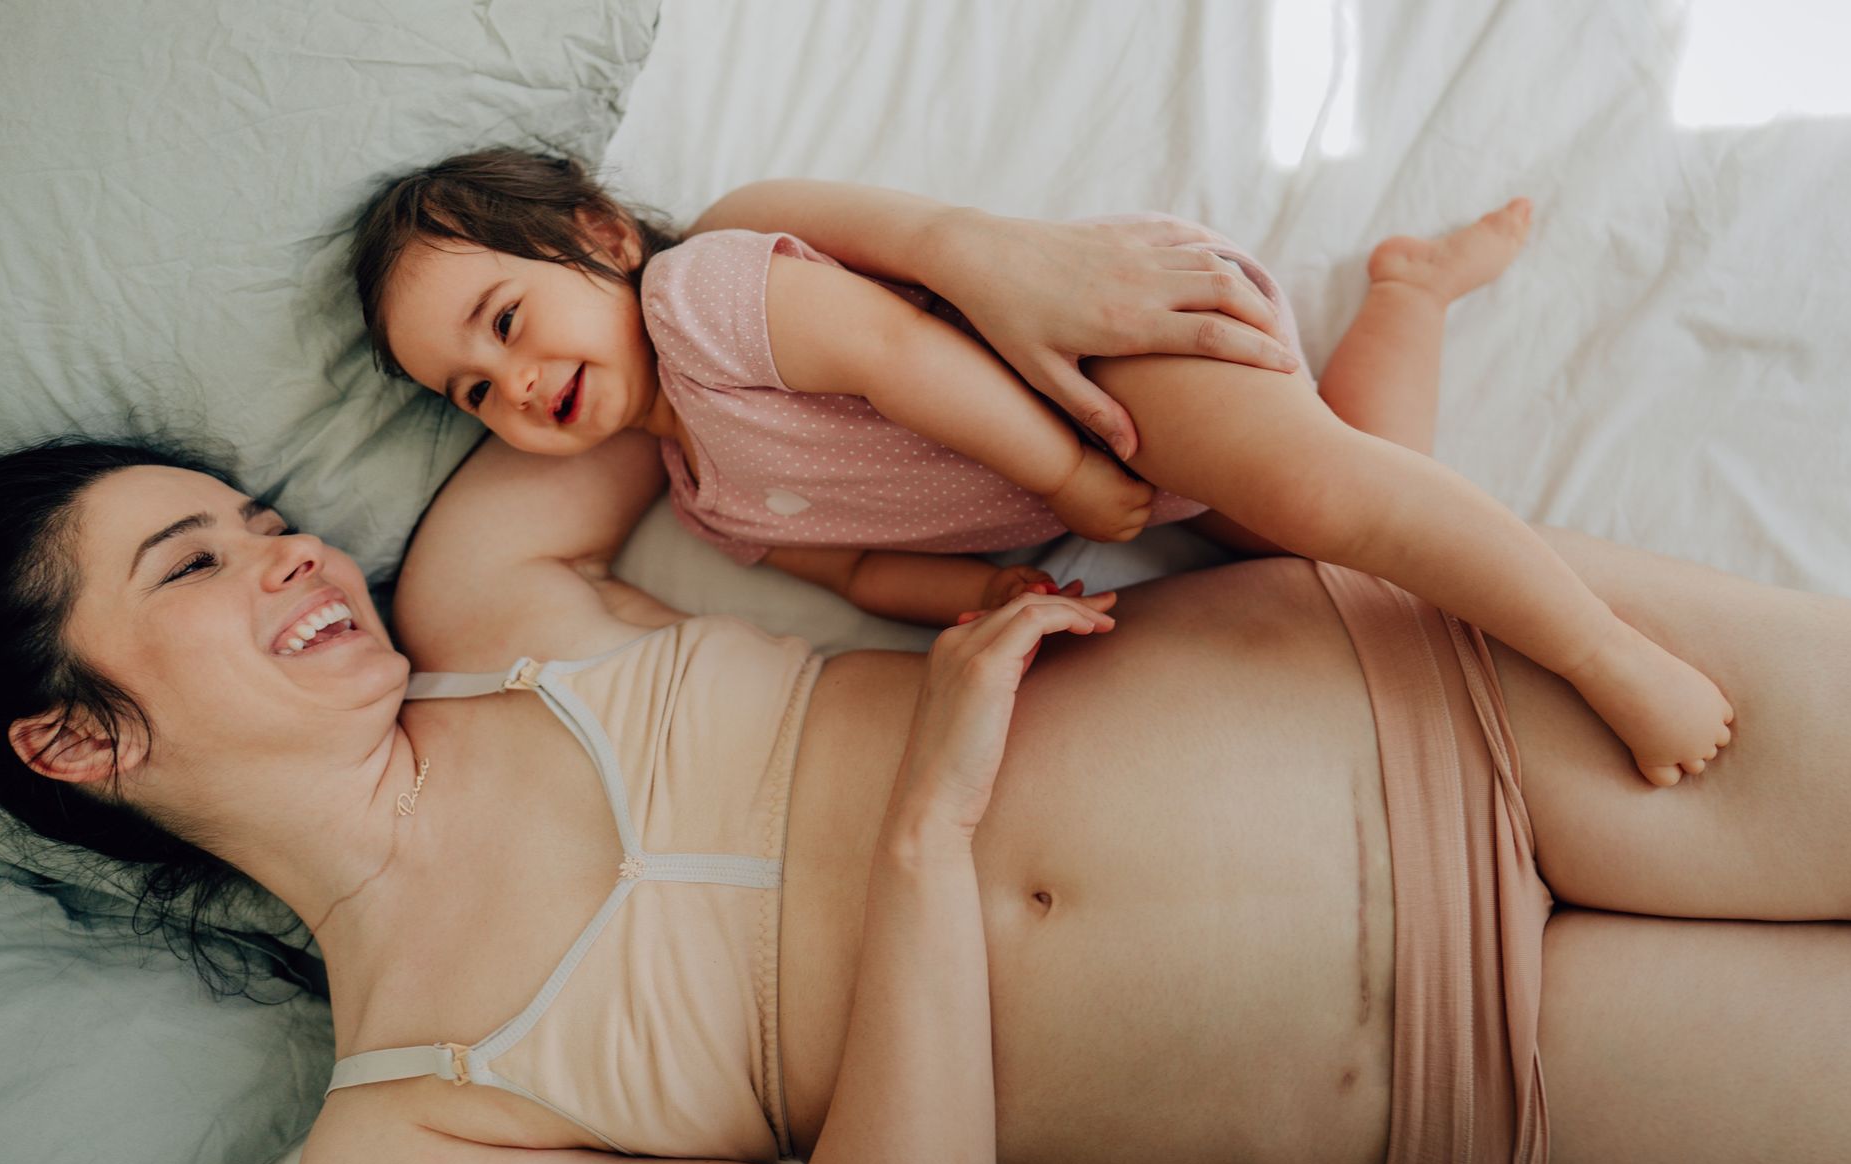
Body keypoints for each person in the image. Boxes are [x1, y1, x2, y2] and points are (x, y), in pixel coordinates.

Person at [0, 198, 1851, 1164]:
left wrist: (980, 266)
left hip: (1440, 686)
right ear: (76, 737)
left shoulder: (483, 591)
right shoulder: (404, 1144)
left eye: (260, 515)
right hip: (1479, 1080)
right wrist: (923, 829)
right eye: (194, 566)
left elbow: (669, 298)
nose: (295, 553)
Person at [354, 150, 1727, 786]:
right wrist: (970, 597)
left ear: (601, 237)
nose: (510, 386)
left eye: (505, 323)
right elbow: (851, 566)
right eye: (471, 393)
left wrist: (1068, 483)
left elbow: (899, 352)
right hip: (1115, 472)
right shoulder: (707, 499)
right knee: (1331, 528)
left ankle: (1603, 652)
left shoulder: (699, 297)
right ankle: (1410, 295)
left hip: (1103, 365)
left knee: (1336, 500)